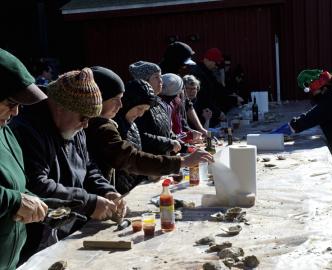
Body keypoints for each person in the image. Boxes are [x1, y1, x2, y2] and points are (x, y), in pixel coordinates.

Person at [10, 67, 126, 262]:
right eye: (84, 118)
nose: (86, 125)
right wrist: (89, 202)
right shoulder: (27, 130)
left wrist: (106, 190)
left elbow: (89, 167)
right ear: (60, 106)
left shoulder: (75, 125)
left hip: (67, 225)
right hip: (36, 238)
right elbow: (37, 185)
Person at [86, 67, 213, 193]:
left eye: (121, 98)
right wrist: (183, 161)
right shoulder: (101, 127)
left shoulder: (126, 123)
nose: (120, 104)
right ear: (98, 99)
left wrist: (150, 173)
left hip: (123, 188)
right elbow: (130, 158)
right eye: (115, 99)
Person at [0, 48, 48, 270]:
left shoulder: (6, 131)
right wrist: (15, 201)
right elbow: (10, 197)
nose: (16, 112)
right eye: (11, 102)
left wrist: (30, 199)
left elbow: (13, 183)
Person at [272, 69, 332, 166]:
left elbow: (307, 119)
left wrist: (277, 133)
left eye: (315, 93)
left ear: (324, 88)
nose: (314, 96)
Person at [129, 61, 181, 155]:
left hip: (164, 161)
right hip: (149, 162)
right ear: (145, 81)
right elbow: (141, 135)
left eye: (160, 76)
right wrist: (169, 144)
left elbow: (167, 130)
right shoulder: (138, 106)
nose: (161, 81)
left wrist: (181, 146)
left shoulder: (160, 102)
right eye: (156, 77)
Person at [189, 48, 227, 127]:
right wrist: (218, 112)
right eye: (215, 63)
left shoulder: (207, 72)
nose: (216, 66)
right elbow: (203, 97)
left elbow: (218, 89)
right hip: (201, 114)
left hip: (208, 112)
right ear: (207, 60)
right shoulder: (199, 73)